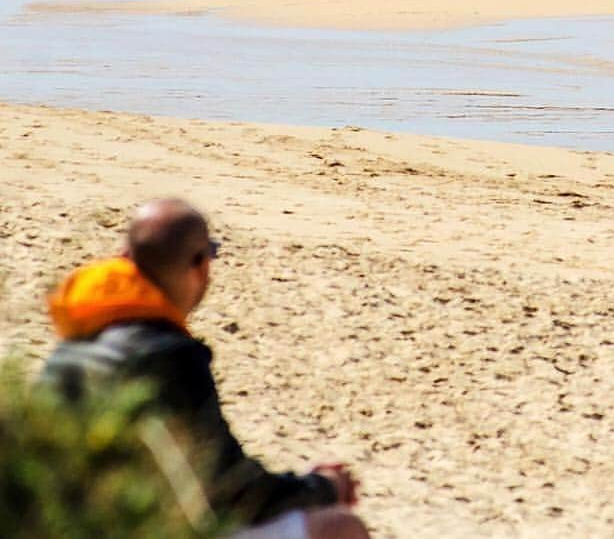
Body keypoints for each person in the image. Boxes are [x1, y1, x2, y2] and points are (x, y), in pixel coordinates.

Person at [41, 199, 369, 539]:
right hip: (131, 527)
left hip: (52, 522)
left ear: (124, 257)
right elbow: (231, 490)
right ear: (199, 266)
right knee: (341, 528)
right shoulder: (169, 354)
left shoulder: (77, 333)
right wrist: (323, 487)